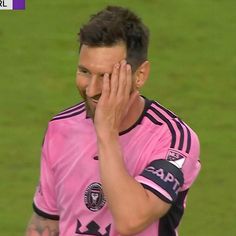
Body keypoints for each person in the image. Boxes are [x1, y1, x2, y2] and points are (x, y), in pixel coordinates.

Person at [26, 5, 201, 236]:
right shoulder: (61, 128)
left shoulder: (173, 140)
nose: (91, 90)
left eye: (107, 77)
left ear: (140, 75)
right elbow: (46, 222)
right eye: (85, 72)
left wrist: (106, 133)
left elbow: (131, 220)